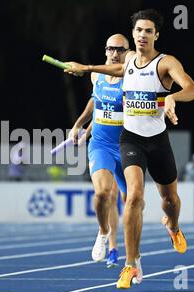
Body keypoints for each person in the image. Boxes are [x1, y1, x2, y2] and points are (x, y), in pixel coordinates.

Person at [65, 9, 194, 289]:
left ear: (156, 35)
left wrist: (173, 97)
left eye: (148, 31)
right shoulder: (127, 60)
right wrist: (86, 68)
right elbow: (114, 69)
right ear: (133, 34)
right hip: (131, 139)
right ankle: (130, 264)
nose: (142, 36)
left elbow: (193, 89)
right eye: (138, 30)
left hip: (158, 141)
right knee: (134, 197)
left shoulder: (165, 63)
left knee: (170, 200)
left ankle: (173, 226)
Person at [70, 34, 133, 268]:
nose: (114, 53)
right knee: (103, 194)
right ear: (105, 51)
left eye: (120, 49)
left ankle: (133, 256)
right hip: (101, 145)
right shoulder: (97, 75)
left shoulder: (132, 77)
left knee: (132, 201)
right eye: (110, 49)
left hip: (128, 146)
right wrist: (80, 126)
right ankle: (104, 233)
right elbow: (96, 104)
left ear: (128, 52)